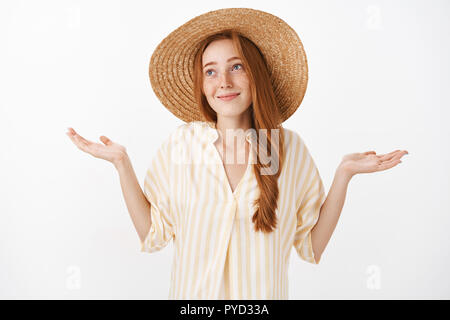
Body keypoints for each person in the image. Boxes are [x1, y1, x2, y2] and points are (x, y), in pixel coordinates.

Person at [66, 8, 408, 299]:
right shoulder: (182, 146)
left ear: (255, 75)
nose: (223, 82)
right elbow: (153, 235)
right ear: (202, 84)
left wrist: (344, 174)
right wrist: (122, 164)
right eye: (211, 71)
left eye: (237, 66)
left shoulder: (286, 149)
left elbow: (311, 247)